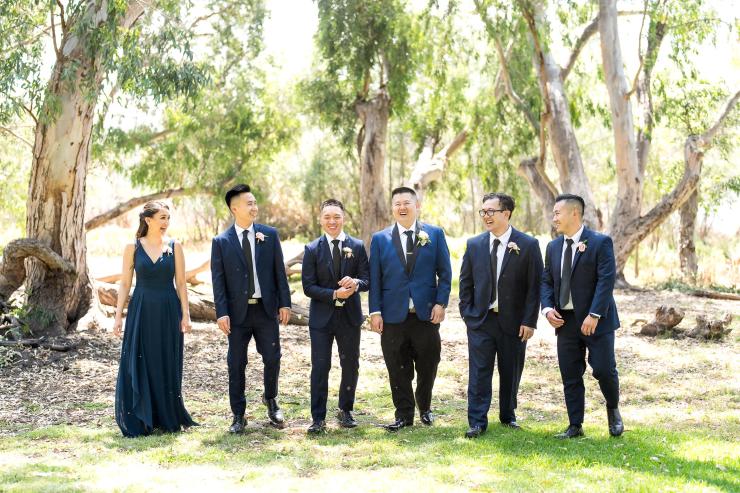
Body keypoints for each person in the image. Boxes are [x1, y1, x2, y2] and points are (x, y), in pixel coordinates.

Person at [459, 193, 543, 438]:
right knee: (479, 372)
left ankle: (508, 415)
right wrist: (468, 314)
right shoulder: (474, 244)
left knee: (511, 371)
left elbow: (534, 287)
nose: (486, 216)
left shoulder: (528, 245)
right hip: (481, 321)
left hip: (514, 323)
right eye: (483, 211)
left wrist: (529, 321)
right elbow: (465, 283)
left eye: (491, 211)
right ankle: (477, 422)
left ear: (506, 214)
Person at [369, 186, 452, 431]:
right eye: (397, 204)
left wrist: (441, 303)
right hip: (392, 316)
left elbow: (445, 273)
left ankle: (424, 407)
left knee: (429, 364)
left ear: (417, 206)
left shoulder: (434, 234)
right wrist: (375, 312)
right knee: (397, 367)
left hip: (425, 315)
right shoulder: (380, 239)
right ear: (392, 208)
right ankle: (404, 414)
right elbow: (375, 279)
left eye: (407, 203)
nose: (402, 207)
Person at [541, 194, 624, 439]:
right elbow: (546, 281)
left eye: (558, 213)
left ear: (574, 213)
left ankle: (613, 409)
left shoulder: (600, 242)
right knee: (570, 373)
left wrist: (594, 314)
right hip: (565, 321)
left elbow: (606, 280)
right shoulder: (553, 247)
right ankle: (575, 425)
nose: (554, 218)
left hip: (597, 321)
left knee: (604, 369)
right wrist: (547, 309)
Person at [211, 184, 292, 433]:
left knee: (272, 357)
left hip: (266, 310)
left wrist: (284, 302)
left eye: (255, 202)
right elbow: (218, 281)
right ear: (234, 208)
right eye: (249, 203)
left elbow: (279, 272)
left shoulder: (269, 235)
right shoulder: (221, 242)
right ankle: (238, 414)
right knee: (236, 363)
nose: (254, 207)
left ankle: (271, 399)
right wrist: (221, 312)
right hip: (237, 315)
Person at [114, 200, 197, 437]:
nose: (166, 222)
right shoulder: (132, 247)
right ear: (148, 220)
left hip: (168, 309)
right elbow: (125, 283)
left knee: (165, 358)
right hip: (141, 309)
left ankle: (166, 415)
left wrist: (186, 314)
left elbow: (181, 283)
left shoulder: (175, 246)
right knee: (141, 358)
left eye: (168, 218)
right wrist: (118, 316)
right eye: (162, 217)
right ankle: (142, 417)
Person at [302, 198, 370, 434]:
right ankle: (318, 418)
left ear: (344, 218)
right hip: (321, 320)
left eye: (336, 217)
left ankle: (345, 410)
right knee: (320, 367)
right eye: (327, 217)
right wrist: (333, 294)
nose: (332, 221)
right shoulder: (312, 249)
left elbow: (367, 280)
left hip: (350, 317)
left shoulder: (357, 246)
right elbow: (308, 287)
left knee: (350, 364)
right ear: (320, 220)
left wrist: (356, 283)